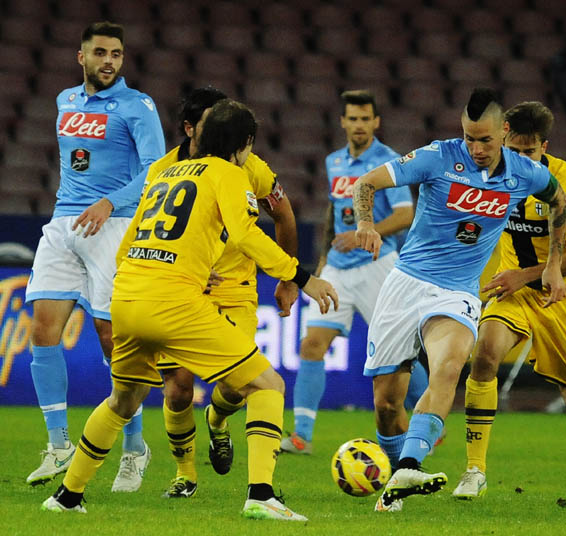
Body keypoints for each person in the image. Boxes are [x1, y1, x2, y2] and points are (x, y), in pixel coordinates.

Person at [41, 99, 338, 521]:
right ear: (245, 143)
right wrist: (304, 278)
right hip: (174, 302)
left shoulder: (166, 172)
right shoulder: (231, 174)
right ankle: (260, 494)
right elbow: (246, 237)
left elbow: (126, 247)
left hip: (127, 295)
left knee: (123, 401)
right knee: (267, 386)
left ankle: (67, 497)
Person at [353, 88, 566, 513]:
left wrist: (554, 264)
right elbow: (367, 182)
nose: (476, 148)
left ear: (504, 132)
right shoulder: (437, 157)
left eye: (485, 139)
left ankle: (412, 464)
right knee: (386, 404)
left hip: (456, 292)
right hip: (406, 284)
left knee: (449, 368)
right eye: (469, 138)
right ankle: (396, 485)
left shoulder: (525, 173)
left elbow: (558, 200)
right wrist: (366, 223)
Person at [24, 21, 165, 492]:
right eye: (100, 52)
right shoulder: (65, 100)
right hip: (64, 221)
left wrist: (110, 203)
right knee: (43, 328)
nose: (109, 61)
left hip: (114, 225)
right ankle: (59, 443)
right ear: (80, 57)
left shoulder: (138, 106)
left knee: (111, 339)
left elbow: (156, 172)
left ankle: (134, 448)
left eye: (117, 54)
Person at [452, 101, 566, 507]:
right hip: (513, 292)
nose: (520, 160)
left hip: (563, 296)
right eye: (514, 151)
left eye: (529, 153)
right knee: (484, 354)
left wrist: (526, 274)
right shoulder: (489, 174)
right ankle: (474, 470)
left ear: (545, 147)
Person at [150, 87, 300, 499]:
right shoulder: (162, 170)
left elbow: (283, 214)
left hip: (234, 290)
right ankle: (186, 476)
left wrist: (288, 280)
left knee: (238, 386)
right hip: (182, 292)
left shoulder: (251, 168)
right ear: (189, 128)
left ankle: (217, 420)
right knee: (178, 387)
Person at [279, 90, 427, 458]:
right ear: (343, 122)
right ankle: (302, 435)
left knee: (399, 354)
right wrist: (325, 256)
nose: (359, 125)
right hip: (339, 269)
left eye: (366, 119)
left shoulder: (389, 161)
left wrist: (366, 230)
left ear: (376, 122)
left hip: (379, 265)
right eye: (353, 119)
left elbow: (406, 214)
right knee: (312, 344)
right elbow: (334, 214)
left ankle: (428, 422)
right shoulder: (335, 162)